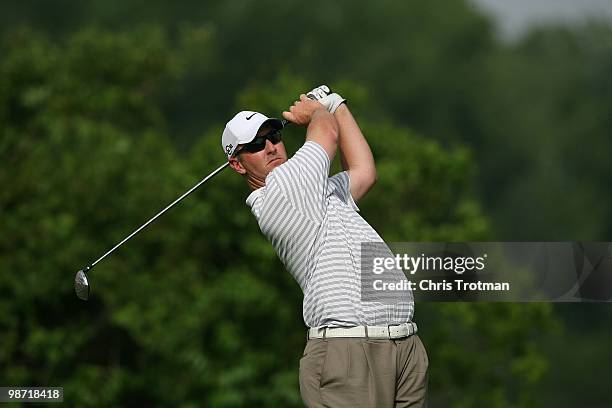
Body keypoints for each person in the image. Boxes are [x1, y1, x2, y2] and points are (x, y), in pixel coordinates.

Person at [221, 86, 428, 407]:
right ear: (237, 164)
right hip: (350, 351)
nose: (271, 147)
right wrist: (315, 112)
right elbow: (327, 134)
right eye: (256, 144)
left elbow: (364, 173)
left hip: (401, 346)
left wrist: (335, 104)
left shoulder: (313, 192)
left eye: (274, 135)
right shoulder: (283, 189)